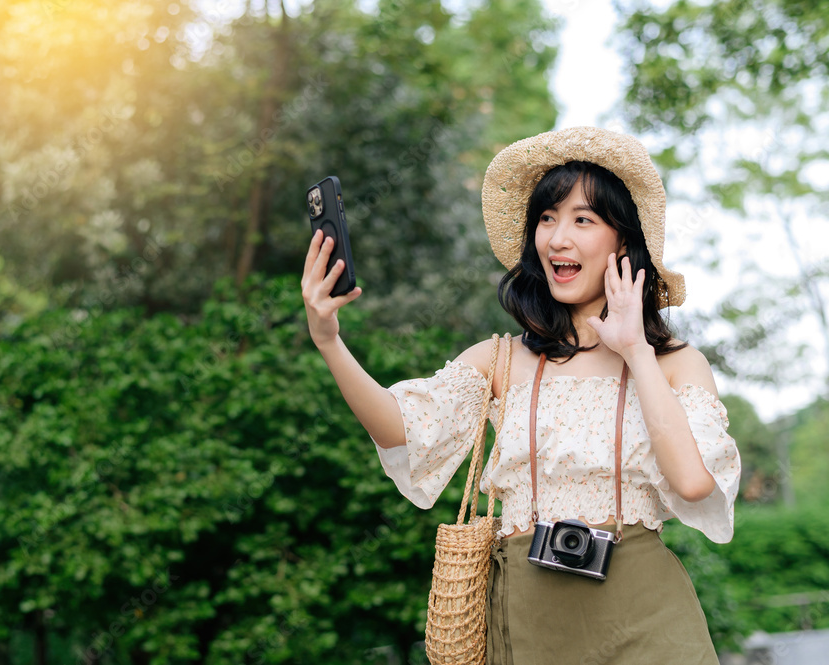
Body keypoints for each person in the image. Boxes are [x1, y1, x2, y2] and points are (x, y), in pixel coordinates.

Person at [300, 126, 741, 664]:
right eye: (548, 219)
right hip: (528, 619)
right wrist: (329, 339)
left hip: (646, 617)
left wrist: (635, 351)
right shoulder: (500, 358)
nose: (558, 238)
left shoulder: (673, 363)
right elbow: (400, 429)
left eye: (584, 219)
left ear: (622, 241)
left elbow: (694, 484)